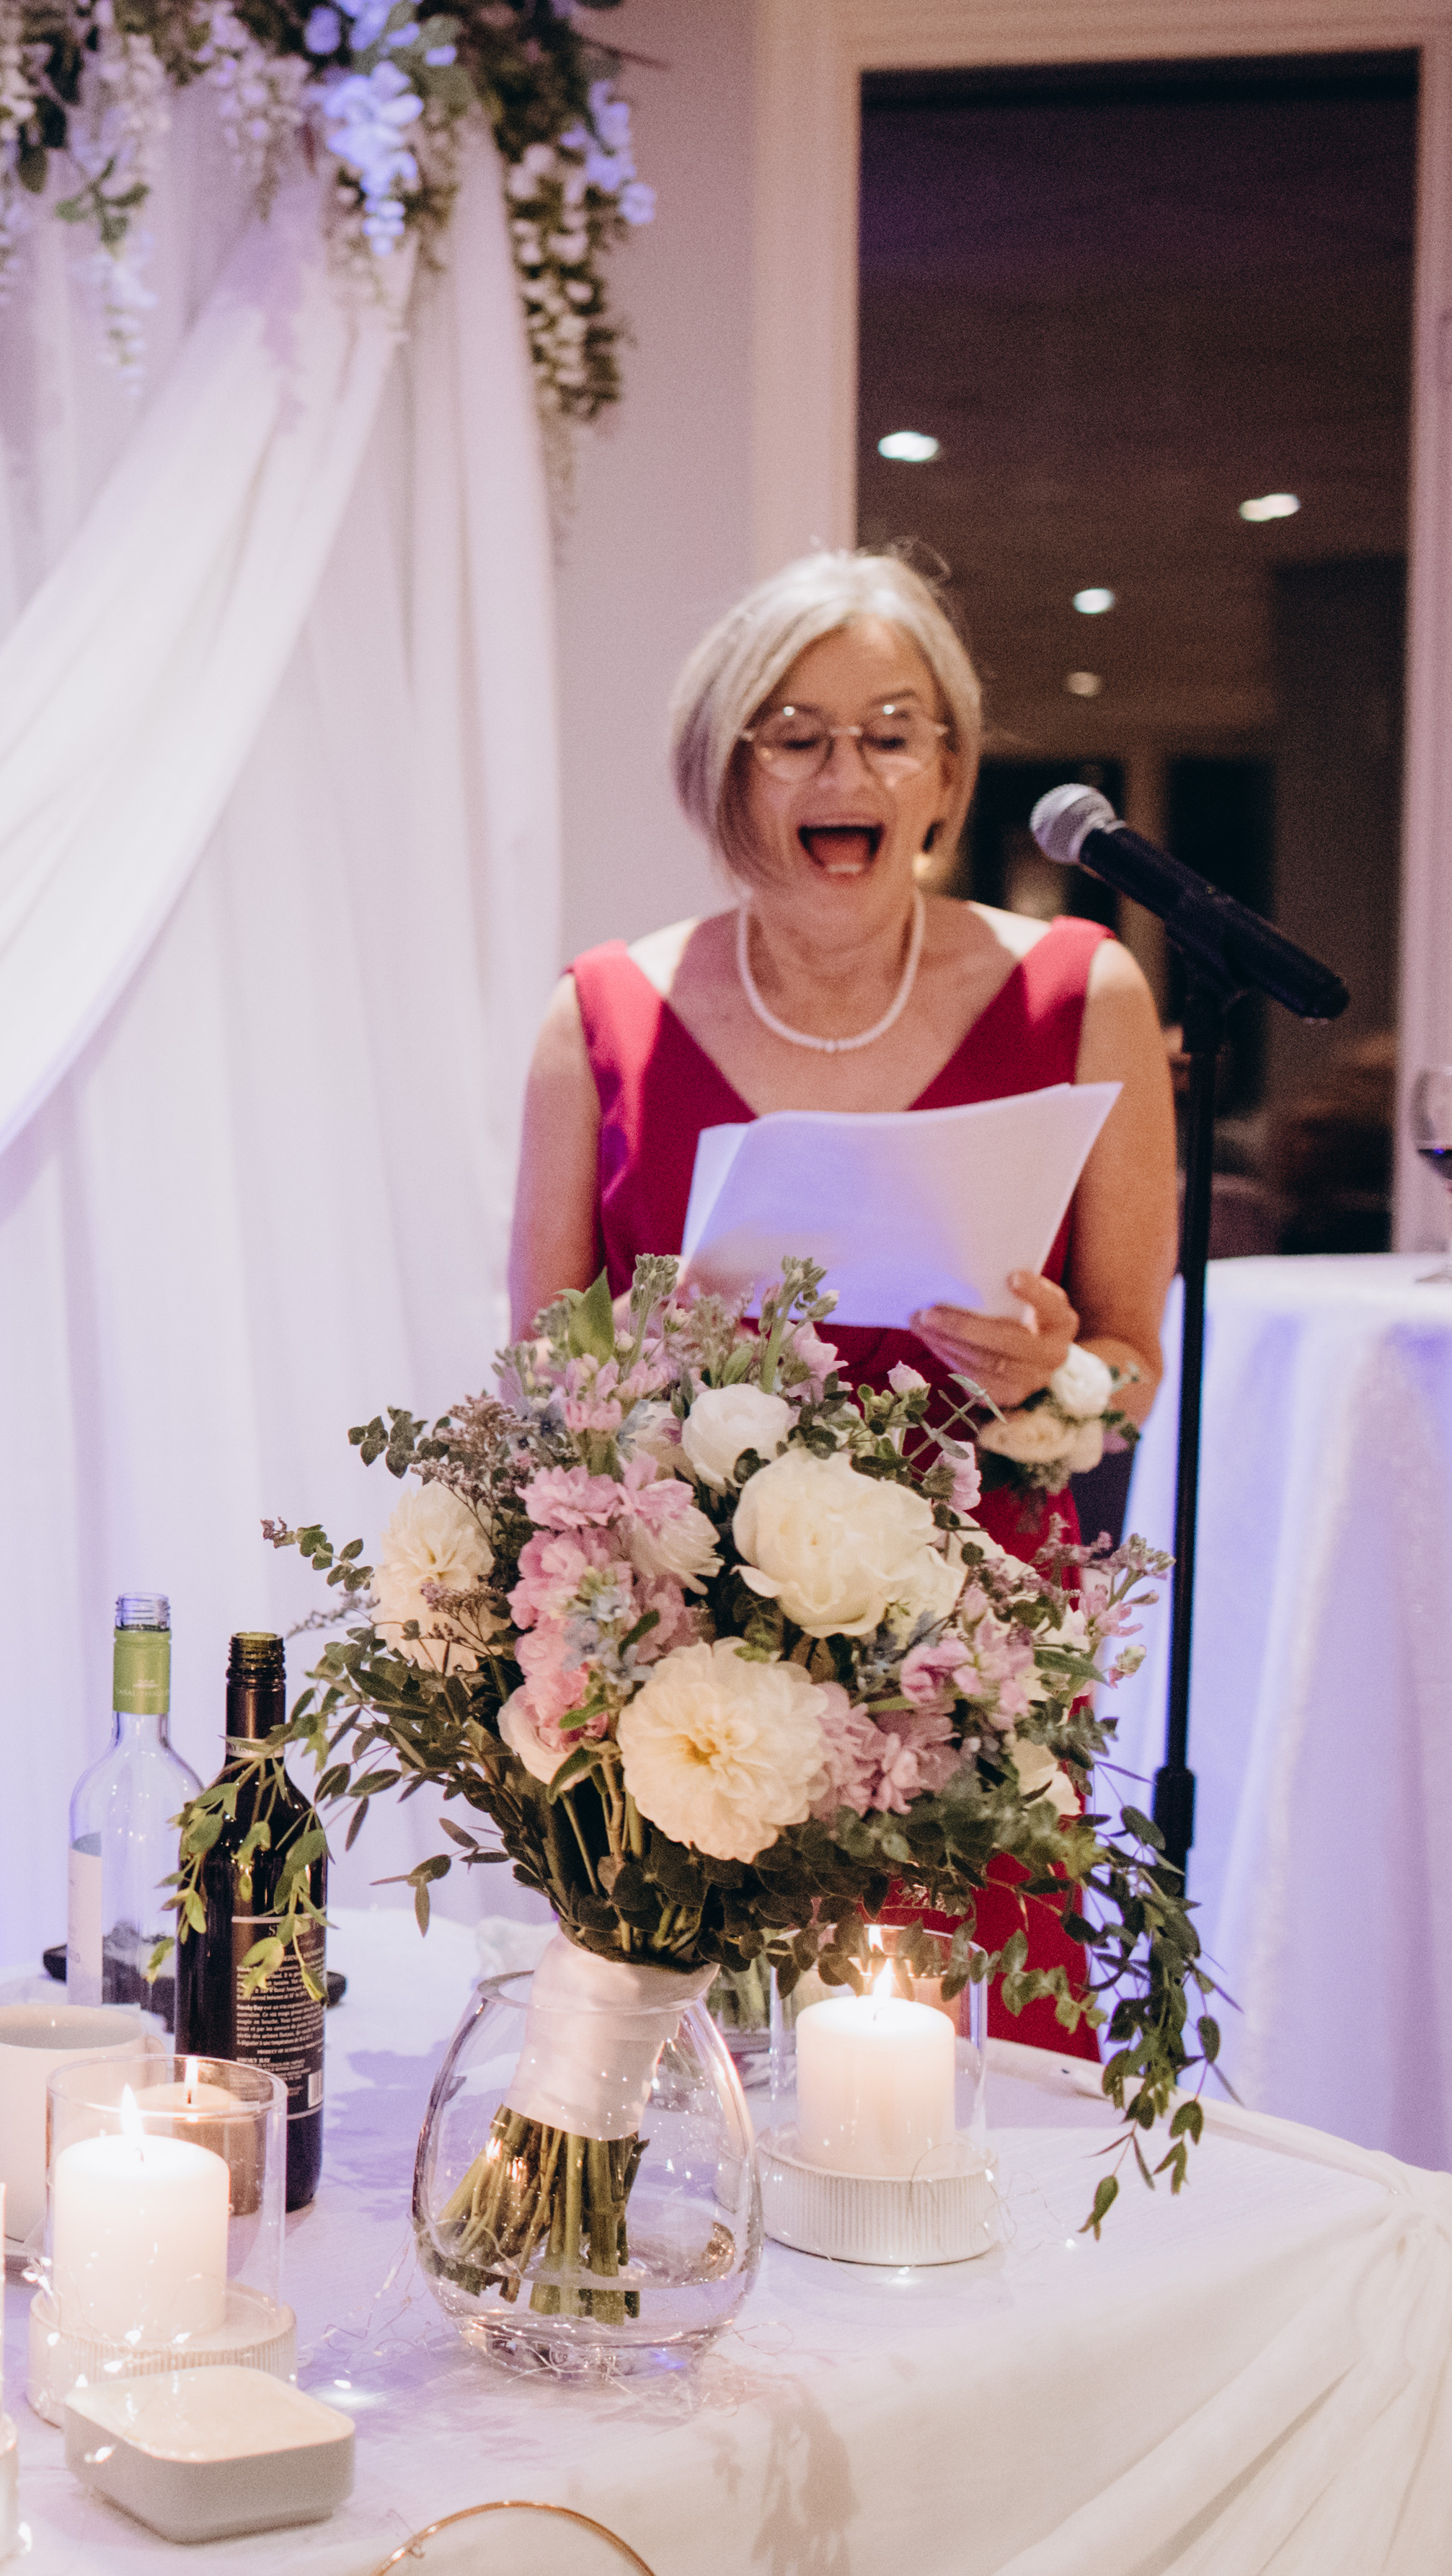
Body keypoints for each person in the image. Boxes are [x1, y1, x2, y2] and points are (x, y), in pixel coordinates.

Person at [509, 549, 1179, 2057]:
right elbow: (537, 1383)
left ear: (946, 769)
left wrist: (1058, 1372)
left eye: (890, 732)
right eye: (796, 735)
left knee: (965, 2107)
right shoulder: (601, 1016)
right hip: (692, 1676)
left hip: (973, 1672)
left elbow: (1132, 1361)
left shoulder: (1083, 996)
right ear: (723, 768)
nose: (847, 770)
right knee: (695, 2094)